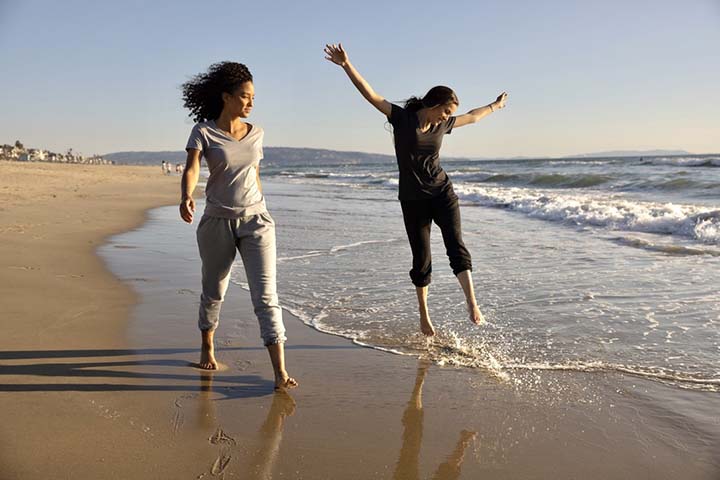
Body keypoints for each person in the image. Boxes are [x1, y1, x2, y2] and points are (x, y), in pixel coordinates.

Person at [324, 43, 507, 336]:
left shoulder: (443, 126)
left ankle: (472, 303)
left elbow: (473, 116)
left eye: (450, 114)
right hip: (412, 199)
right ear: (433, 104)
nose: (447, 117)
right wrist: (346, 65)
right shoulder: (402, 119)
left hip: (441, 192)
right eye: (445, 111)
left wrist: (495, 106)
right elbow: (370, 94)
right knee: (421, 259)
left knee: (455, 245)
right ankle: (424, 316)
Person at [179, 61, 297, 390]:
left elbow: (254, 175)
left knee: (266, 297)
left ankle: (279, 372)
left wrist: (258, 205)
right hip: (217, 221)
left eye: (253, 97)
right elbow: (192, 168)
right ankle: (207, 345)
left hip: (257, 221)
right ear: (227, 97)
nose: (251, 102)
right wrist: (186, 195)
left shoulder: (256, 133)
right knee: (214, 291)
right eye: (245, 96)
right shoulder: (203, 131)